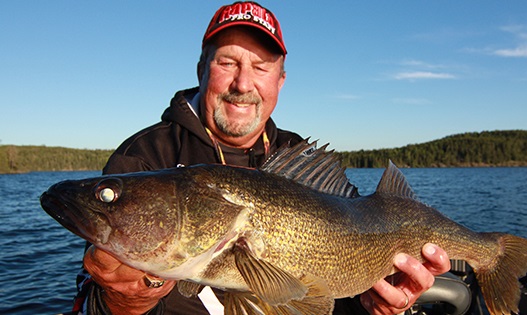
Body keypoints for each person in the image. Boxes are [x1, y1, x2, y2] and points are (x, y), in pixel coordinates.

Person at [74, 2, 450, 314]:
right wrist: (127, 298)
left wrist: (375, 305)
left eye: (261, 66)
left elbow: (324, 294)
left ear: (280, 80)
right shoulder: (143, 158)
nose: (243, 83)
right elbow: (94, 303)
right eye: (227, 62)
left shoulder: (296, 156)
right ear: (202, 69)